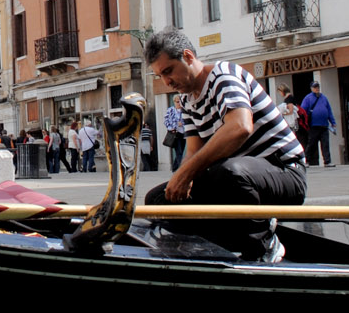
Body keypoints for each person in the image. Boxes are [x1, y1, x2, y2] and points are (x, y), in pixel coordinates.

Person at [143, 27, 307, 262]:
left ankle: (265, 244)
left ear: (188, 57)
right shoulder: (189, 101)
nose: (167, 81)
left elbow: (239, 127)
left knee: (229, 173)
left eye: (169, 71)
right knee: (158, 201)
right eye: (160, 76)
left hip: (284, 172)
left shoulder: (223, 76)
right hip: (236, 177)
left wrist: (187, 173)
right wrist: (179, 182)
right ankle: (217, 244)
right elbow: (192, 152)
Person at [299, 81, 337, 167]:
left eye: (318, 87)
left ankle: (327, 161)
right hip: (313, 125)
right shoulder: (308, 98)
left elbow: (329, 111)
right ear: (311, 88)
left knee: (325, 144)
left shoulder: (324, 98)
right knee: (312, 144)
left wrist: (333, 122)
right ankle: (306, 160)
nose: (317, 89)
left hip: (324, 125)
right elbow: (302, 111)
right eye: (315, 87)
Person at [163, 94, 185, 170]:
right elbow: (166, 121)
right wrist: (172, 127)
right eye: (177, 102)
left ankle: (174, 168)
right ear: (174, 102)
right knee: (179, 151)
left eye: (180, 102)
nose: (179, 103)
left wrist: (183, 123)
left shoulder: (184, 110)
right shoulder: (171, 110)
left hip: (183, 133)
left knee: (181, 150)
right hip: (175, 133)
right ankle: (181, 168)